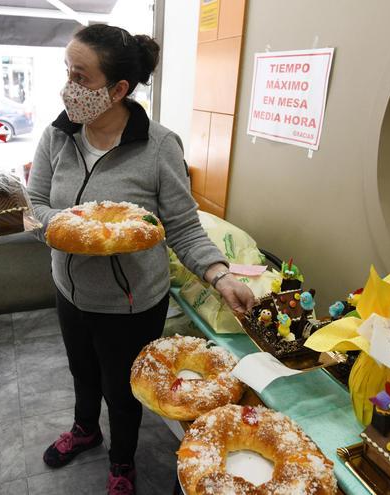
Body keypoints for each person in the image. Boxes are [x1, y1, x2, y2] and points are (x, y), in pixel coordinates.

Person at [27, 24, 256, 495]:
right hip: (70, 289)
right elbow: (36, 202)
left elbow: (185, 227)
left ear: (119, 89)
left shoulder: (158, 147)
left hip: (131, 303)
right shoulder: (58, 134)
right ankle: (85, 429)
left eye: (80, 76)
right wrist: (78, 229)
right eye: (66, 72)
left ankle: (122, 461)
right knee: (82, 371)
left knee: (123, 388)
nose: (69, 87)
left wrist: (220, 275)